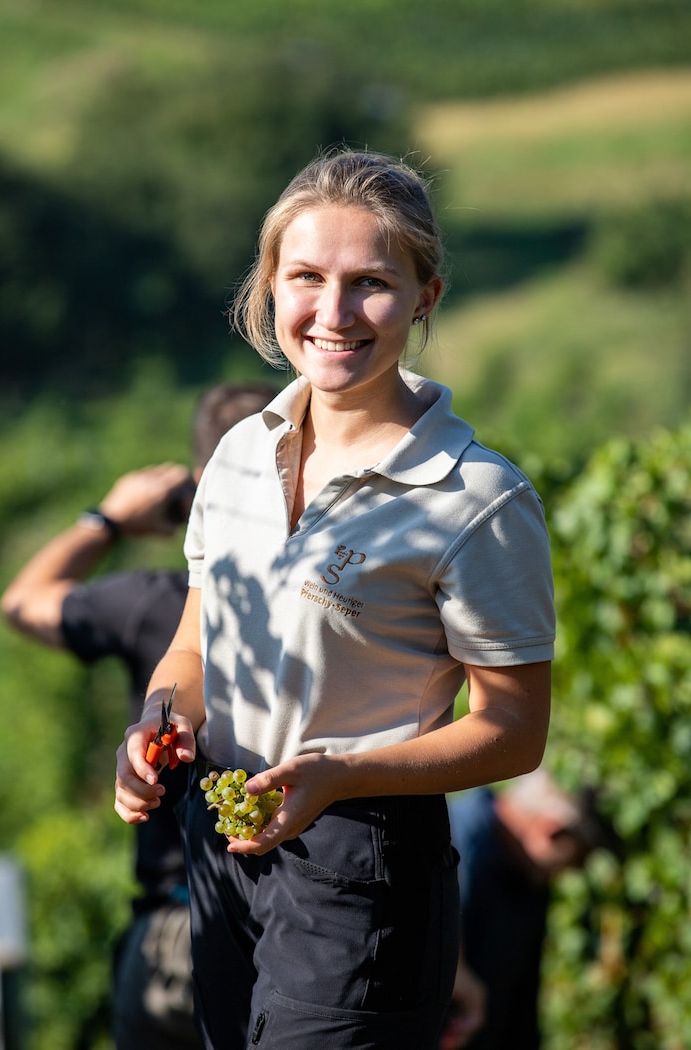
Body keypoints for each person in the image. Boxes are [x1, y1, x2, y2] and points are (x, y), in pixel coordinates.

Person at [114, 148, 556, 1050]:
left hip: (364, 869)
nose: (333, 313)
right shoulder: (239, 454)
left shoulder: (476, 500)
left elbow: (514, 729)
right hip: (219, 847)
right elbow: (198, 644)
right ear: (271, 286)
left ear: (425, 297)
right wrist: (156, 730)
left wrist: (341, 775)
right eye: (307, 277)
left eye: (372, 284)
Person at [0, 381, 278, 1050]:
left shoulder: (152, 603)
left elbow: (23, 602)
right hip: (300, 919)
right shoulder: (327, 598)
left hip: (175, 924)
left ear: (202, 480)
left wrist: (111, 519)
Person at [440, 769, 621, 1050]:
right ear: (550, 832)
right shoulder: (442, 843)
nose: (571, 873)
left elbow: (521, 1010)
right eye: (579, 859)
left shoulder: (528, 877)